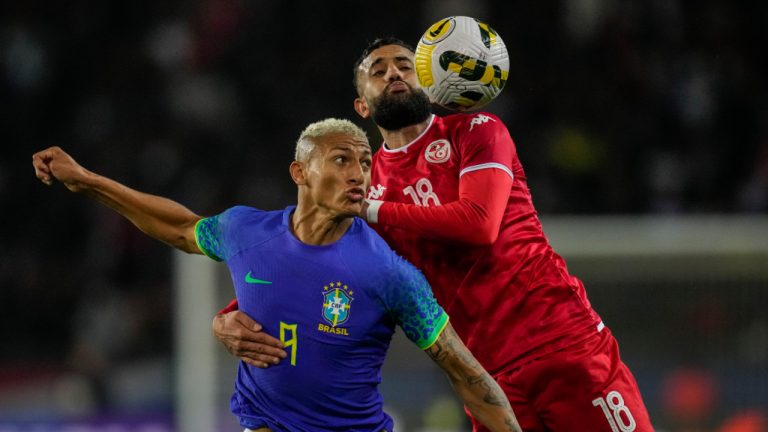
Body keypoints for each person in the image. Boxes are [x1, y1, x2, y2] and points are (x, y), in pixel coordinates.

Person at [213, 38, 655, 432]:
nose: (393, 73)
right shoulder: (363, 185)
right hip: (486, 376)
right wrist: (231, 314)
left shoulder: (476, 132)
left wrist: (372, 209)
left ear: (429, 82)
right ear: (362, 107)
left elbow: (479, 224)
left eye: (404, 65)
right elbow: (311, 259)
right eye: (378, 70)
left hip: (561, 342)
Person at [31, 118, 521, 432]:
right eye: (341, 159)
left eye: (366, 163)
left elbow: (466, 372)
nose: (359, 174)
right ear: (300, 172)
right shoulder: (248, 230)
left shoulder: (388, 270)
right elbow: (178, 226)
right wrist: (89, 182)